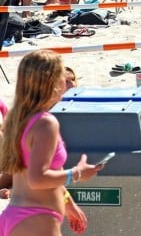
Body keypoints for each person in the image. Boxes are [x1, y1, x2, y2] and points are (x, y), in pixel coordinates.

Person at [0, 50, 105, 235]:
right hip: (37, 220)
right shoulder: (46, 123)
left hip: (17, 216)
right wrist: (77, 173)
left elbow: (36, 173)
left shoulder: (19, 119)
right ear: (53, 83)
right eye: (62, 76)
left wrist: (69, 204)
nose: (66, 81)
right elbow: (37, 178)